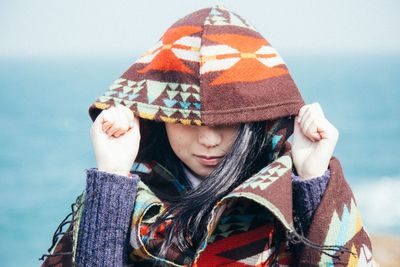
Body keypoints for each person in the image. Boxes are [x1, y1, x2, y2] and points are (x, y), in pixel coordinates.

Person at [40, 5, 376, 267]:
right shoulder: (120, 194)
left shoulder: (293, 190)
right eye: (187, 122)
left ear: (256, 119)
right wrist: (111, 176)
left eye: (228, 122)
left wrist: (312, 180)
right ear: (159, 119)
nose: (209, 140)